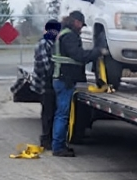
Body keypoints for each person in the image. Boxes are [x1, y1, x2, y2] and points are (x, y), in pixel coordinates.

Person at [51, 11, 108, 157]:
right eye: (81, 25)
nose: (81, 28)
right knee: (62, 115)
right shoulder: (69, 36)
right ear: (75, 21)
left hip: (62, 78)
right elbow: (79, 56)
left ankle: (59, 145)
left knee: (62, 114)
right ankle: (58, 147)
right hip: (65, 80)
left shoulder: (64, 33)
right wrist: (97, 52)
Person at [31, 19, 61, 150]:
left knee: (51, 112)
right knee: (48, 113)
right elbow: (46, 66)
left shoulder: (52, 43)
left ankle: (49, 138)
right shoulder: (44, 44)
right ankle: (46, 139)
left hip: (48, 83)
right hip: (45, 84)